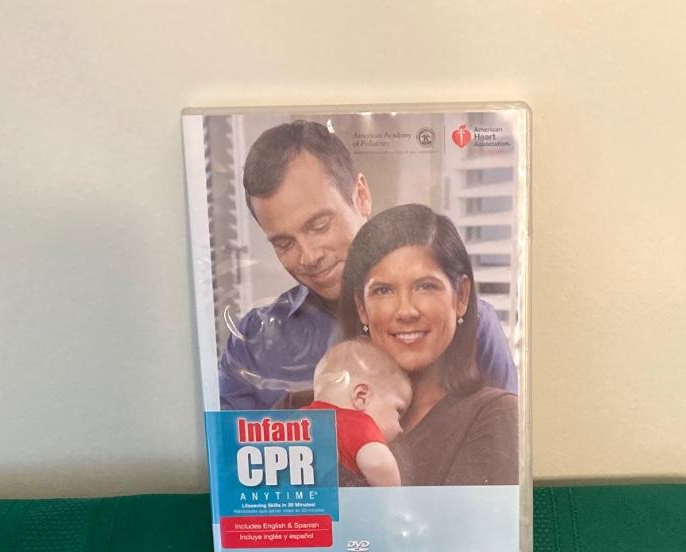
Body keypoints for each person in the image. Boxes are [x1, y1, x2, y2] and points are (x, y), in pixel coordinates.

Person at [218, 120, 517, 410]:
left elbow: (508, 437)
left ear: (361, 196)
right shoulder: (253, 345)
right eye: (284, 244)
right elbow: (222, 444)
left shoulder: (469, 326)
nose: (308, 257)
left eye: (320, 226)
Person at [339, 204, 519, 486]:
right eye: (383, 290)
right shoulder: (308, 411)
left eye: (425, 287)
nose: (406, 311)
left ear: (461, 297)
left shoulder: (494, 416)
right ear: (362, 308)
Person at [306, 339, 410, 486]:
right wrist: (394, 495)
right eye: (398, 412)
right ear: (361, 397)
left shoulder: (296, 421)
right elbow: (378, 464)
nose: (400, 429)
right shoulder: (359, 424)